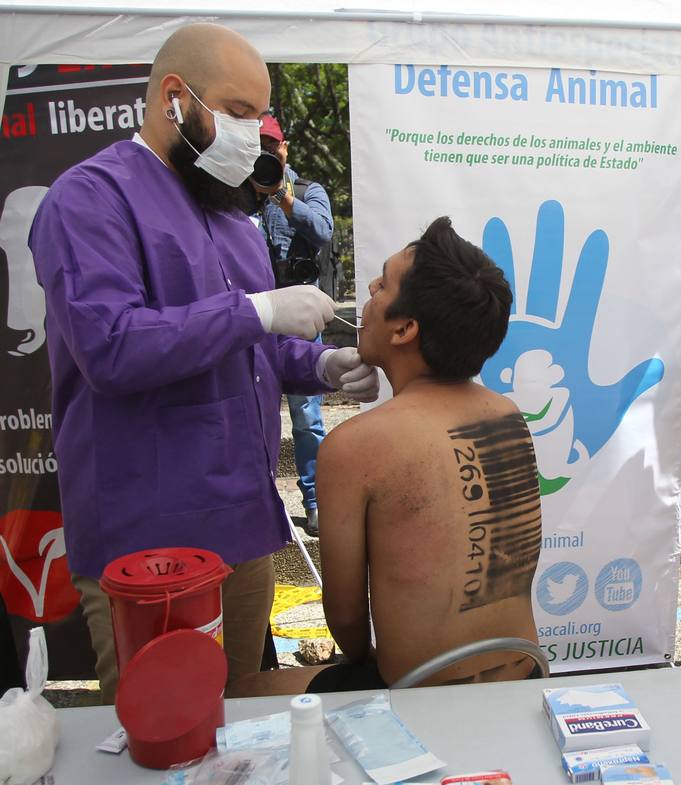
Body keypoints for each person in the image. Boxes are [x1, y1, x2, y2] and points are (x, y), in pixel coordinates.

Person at [27, 23, 379, 702]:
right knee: (164, 730)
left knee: (240, 719)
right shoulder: (90, 199)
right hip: (147, 538)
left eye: (258, 116)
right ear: (173, 97)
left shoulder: (231, 217)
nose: (251, 134)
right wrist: (257, 311)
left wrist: (324, 365)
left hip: (242, 523)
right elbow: (111, 346)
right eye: (237, 113)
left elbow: (254, 349)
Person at [240, 216, 543, 695]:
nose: (369, 292)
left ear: (404, 328)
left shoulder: (355, 446)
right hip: (527, 671)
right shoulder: (506, 414)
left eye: (381, 285)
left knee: (240, 694)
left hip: (422, 695)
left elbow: (344, 617)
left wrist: (363, 665)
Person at [254, 113, 335, 536]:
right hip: (258, 316)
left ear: (284, 148)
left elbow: (323, 232)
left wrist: (284, 198)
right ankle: (257, 498)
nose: (266, 153)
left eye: (272, 147)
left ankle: (315, 501)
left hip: (300, 318)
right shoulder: (238, 195)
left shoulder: (308, 190)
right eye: (259, 147)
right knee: (252, 409)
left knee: (306, 417)